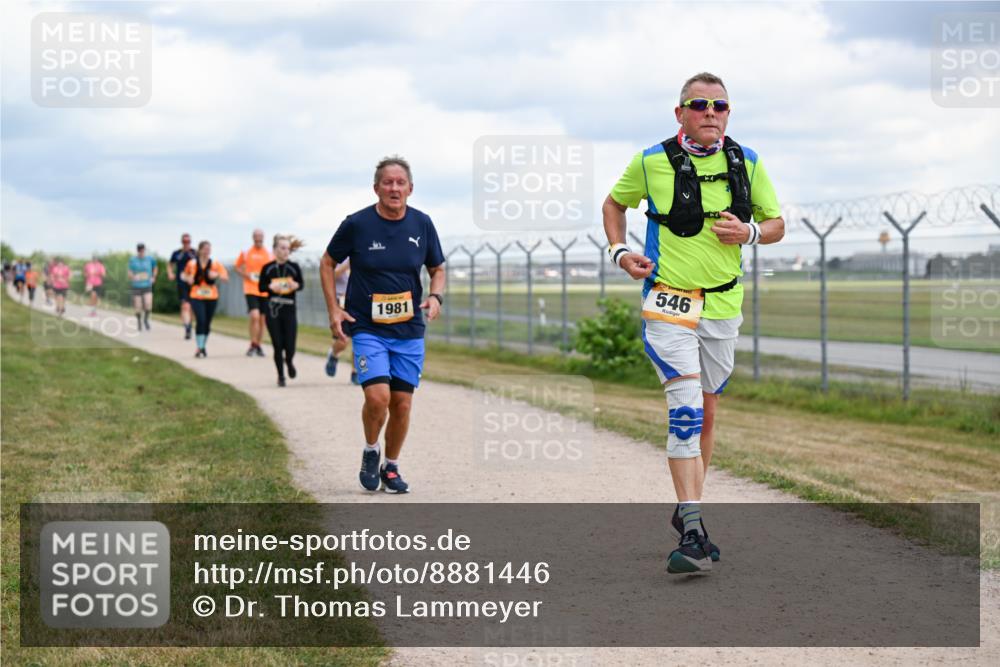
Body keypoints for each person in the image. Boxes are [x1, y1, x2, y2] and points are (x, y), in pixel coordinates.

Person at [602, 72, 784, 574]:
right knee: (684, 409)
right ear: (680, 112)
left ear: (728, 113)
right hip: (668, 303)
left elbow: (776, 224)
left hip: (723, 306)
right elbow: (614, 204)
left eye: (720, 106)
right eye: (699, 104)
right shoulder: (650, 161)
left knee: (705, 410)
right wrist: (620, 251)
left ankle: (688, 511)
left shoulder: (747, 162)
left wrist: (748, 232)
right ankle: (696, 528)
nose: (710, 112)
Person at [320, 155, 446, 494]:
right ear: (376, 188)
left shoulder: (422, 224)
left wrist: (435, 297)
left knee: (402, 403)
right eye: (387, 182)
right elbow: (328, 262)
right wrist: (334, 309)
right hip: (367, 327)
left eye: (400, 182)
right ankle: (370, 450)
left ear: (410, 188)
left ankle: (391, 466)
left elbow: (438, 268)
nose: (394, 188)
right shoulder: (357, 224)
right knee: (378, 398)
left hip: (408, 331)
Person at [258, 235, 305, 387]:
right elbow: (261, 287)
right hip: (273, 310)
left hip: (289, 308)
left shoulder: (294, 267)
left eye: (288, 249)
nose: (286, 251)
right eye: (282, 248)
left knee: (290, 345)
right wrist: (270, 287)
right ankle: (281, 376)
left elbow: (301, 284)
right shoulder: (268, 268)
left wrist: (295, 285)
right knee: (277, 344)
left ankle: (289, 361)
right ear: (275, 250)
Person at [181, 240, 229, 357]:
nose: (207, 251)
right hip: (196, 295)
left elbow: (225, 277)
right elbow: (183, 274)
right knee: (201, 320)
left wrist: (216, 275)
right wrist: (187, 279)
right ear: (200, 250)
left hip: (211, 296)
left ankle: (203, 346)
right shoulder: (192, 263)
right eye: (205, 249)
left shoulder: (215, 264)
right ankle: (199, 347)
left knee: (207, 323)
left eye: (209, 249)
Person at [234, 229, 274, 357]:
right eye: (256, 236)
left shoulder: (269, 253)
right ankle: (253, 343)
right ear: (253, 238)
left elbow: (272, 269)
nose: (258, 238)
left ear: (264, 237)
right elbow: (237, 267)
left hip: (264, 290)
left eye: (260, 236)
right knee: (255, 316)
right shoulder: (246, 253)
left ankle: (258, 345)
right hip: (250, 289)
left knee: (262, 320)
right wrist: (246, 275)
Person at [325, 257, 358, 384]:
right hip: (341, 303)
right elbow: (331, 276)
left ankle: (355, 372)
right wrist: (347, 265)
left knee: (360, 339)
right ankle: (333, 354)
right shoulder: (338, 257)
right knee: (344, 340)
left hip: (359, 302)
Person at [167, 234, 197, 339]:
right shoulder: (177, 253)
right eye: (184, 241)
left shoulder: (194, 253)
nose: (186, 243)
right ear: (182, 242)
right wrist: (170, 273)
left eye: (188, 241)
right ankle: (187, 328)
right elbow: (170, 264)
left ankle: (189, 323)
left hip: (193, 284)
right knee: (185, 306)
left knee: (192, 307)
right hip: (181, 283)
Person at [128, 243, 158, 331]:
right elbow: (129, 272)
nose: (141, 252)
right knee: (138, 306)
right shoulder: (133, 260)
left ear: (144, 250)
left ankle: (145, 320)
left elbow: (155, 268)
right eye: (139, 250)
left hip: (147, 285)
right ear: (137, 251)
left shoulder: (150, 259)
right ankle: (139, 322)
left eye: (142, 250)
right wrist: (133, 277)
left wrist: (153, 277)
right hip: (136, 286)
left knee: (148, 304)